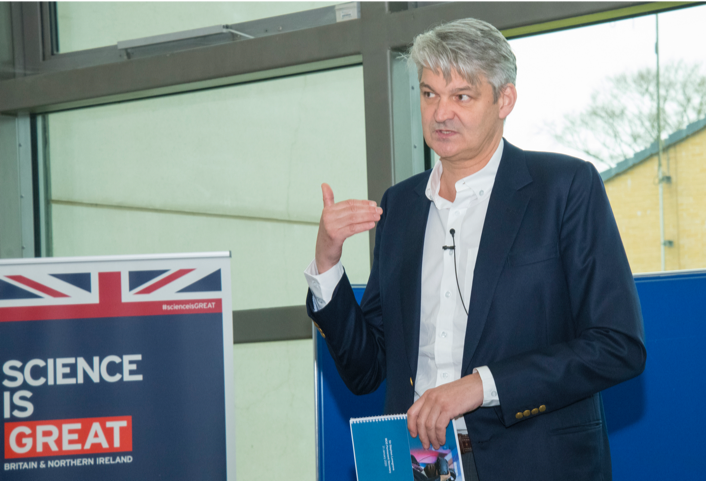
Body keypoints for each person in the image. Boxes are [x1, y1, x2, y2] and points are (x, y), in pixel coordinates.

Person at [304, 18, 645, 481]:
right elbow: (367, 370)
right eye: (429, 94)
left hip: (536, 464)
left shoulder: (564, 188)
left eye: (461, 96)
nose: (441, 113)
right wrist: (327, 263)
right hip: (422, 465)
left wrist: (480, 386)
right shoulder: (400, 206)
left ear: (505, 100)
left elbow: (617, 345)